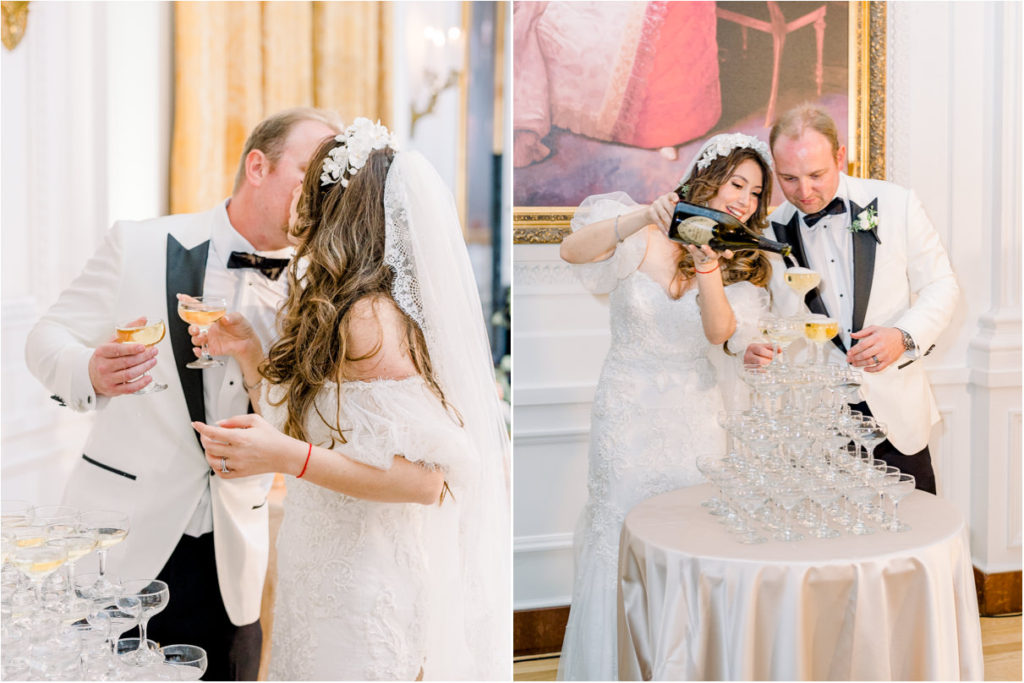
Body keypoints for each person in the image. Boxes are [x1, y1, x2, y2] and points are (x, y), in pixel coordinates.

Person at [24, 107, 342, 680]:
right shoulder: (140, 244)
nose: (322, 187)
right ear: (257, 166)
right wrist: (88, 371)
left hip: (232, 555)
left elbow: (296, 421)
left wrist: (252, 362)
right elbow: (46, 336)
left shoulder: (320, 289)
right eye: (309, 169)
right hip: (120, 542)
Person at [189, 119, 511, 680]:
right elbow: (318, 428)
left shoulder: (370, 317)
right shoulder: (333, 297)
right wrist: (248, 356)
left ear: (333, 204)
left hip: (367, 581)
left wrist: (283, 458)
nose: (298, 199)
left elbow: (424, 480)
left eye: (309, 186)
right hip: (320, 567)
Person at [556, 133, 774, 680]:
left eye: (754, 192)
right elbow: (571, 250)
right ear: (709, 177)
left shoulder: (744, 262)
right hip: (627, 411)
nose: (744, 199)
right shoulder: (636, 225)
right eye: (736, 183)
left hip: (695, 417)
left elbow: (719, 331)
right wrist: (638, 219)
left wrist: (709, 268)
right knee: (618, 534)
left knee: (688, 537)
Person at [745, 104, 959, 494]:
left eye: (816, 175)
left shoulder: (896, 204)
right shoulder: (770, 232)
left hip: (896, 417)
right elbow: (764, 316)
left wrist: (903, 336)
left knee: (911, 537)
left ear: (840, 157)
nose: (804, 192)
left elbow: (942, 285)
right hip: (815, 422)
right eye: (788, 178)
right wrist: (754, 345)